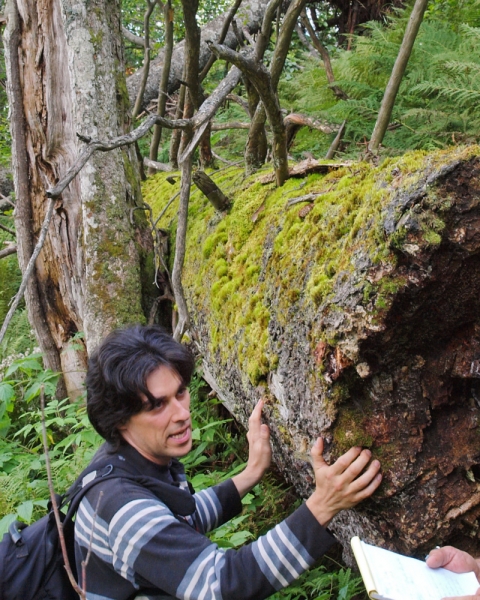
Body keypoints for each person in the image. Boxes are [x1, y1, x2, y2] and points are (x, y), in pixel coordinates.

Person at [75, 324, 382, 600]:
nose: (181, 414)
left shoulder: (129, 460)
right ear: (119, 421)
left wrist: (250, 474)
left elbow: (180, 521)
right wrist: (322, 506)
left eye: (180, 392)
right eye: (157, 405)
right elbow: (223, 585)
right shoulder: (122, 505)